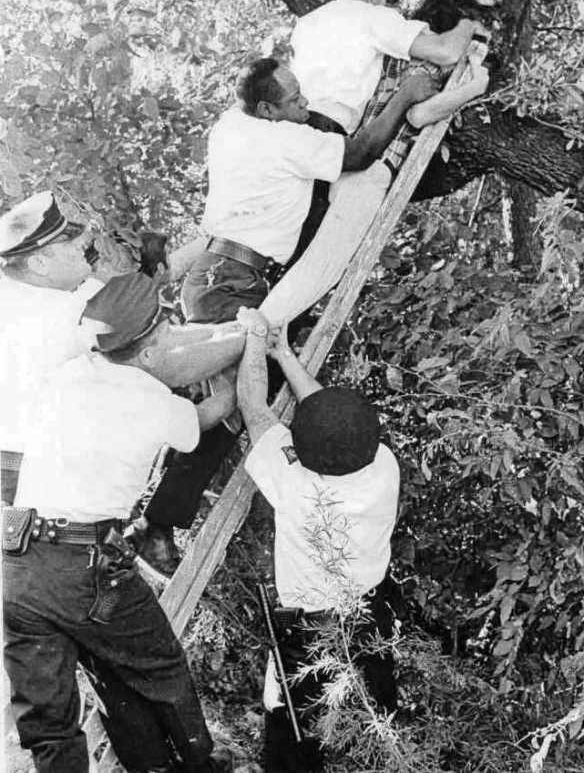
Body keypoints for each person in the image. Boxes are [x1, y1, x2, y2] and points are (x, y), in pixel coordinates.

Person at [3, 272, 243, 773]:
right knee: (159, 666)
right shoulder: (153, 400)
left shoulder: (67, 374)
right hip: (85, 570)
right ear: (151, 351)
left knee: (50, 721)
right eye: (167, 332)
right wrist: (230, 370)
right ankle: (198, 765)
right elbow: (208, 417)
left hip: (18, 563)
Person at [259, 0, 491, 329]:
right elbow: (417, 115)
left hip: (350, 160)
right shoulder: (430, 62)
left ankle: (264, 331)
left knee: (310, 259)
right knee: (323, 267)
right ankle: (256, 329)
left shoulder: (397, 53)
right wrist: (473, 88)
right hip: (372, 170)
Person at [236, 308, 400, 772]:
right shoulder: (383, 465)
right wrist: (286, 355)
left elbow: (253, 407)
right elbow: (332, 418)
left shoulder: (296, 485)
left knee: (293, 732)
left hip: (308, 632)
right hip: (370, 610)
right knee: (374, 718)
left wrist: (255, 339)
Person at [180, 56, 437, 324]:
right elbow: (360, 154)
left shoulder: (230, 122)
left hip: (219, 274)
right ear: (266, 109)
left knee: (256, 346)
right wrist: (404, 96)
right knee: (246, 348)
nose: (305, 102)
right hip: (229, 284)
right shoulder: (283, 140)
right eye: (294, 100)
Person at [291, 0, 488, 135]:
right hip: (328, 128)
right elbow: (446, 52)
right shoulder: (374, 16)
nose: (385, 4)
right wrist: (469, 22)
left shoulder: (307, 21)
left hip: (291, 123)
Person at [0, 191, 103, 505]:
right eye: (68, 242)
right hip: (42, 465)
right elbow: (157, 356)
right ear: (39, 262)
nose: (80, 246)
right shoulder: (76, 307)